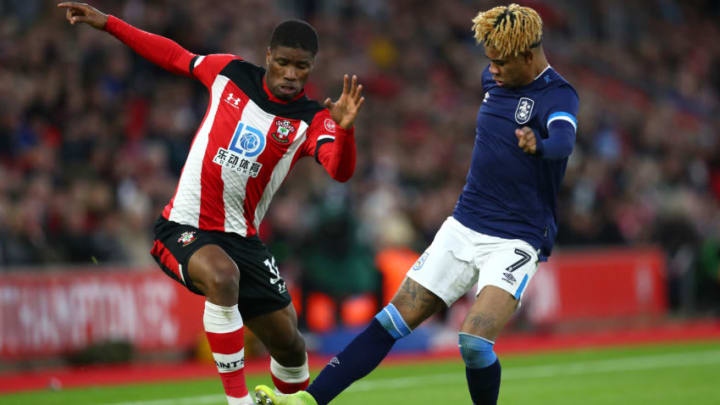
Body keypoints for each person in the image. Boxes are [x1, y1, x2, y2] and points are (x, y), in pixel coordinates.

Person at [255, 3, 578, 405]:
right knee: (389, 321)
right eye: (489, 61)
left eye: (500, 62)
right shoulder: (494, 80)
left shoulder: (558, 94)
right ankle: (307, 401)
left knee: (474, 343)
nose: (491, 70)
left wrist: (539, 144)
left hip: (516, 239)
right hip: (464, 225)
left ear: (528, 55)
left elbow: (564, 140)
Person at [58, 3, 364, 405]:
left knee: (290, 346)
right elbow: (172, 55)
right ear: (268, 55)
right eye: (285, 63)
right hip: (184, 227)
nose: (291, 74)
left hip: (243, 239)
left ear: (312, 66)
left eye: (302, 67)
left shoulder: (313, 118)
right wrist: (110, 24)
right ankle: (237, 402)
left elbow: (339, 170)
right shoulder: (230, 73)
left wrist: (344, 131)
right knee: (222, 277)